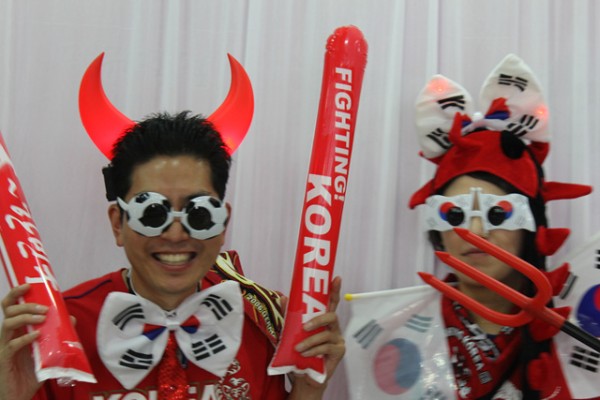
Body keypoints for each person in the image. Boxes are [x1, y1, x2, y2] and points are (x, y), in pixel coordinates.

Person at [0, 55, 345, 399]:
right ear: (118, 223)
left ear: (223, 222)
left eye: (199, 214)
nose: (176, 235)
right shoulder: (59, 333)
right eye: (152, 214)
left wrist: (308, 388)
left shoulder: (256, 322)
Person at [408, 54, 597, 399]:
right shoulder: (402, 331)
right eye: (454, 215)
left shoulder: (580, 332)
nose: (475, 232)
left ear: (533, 226)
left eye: (498, 214)